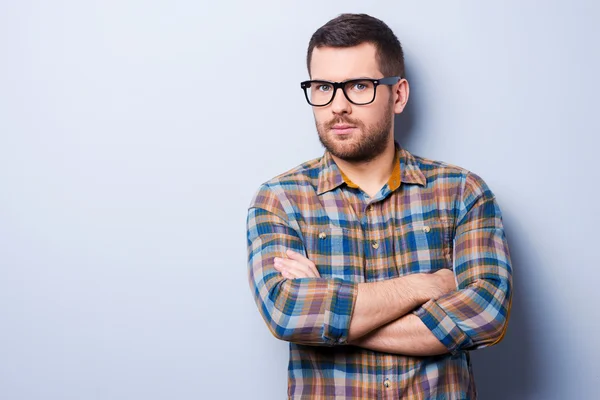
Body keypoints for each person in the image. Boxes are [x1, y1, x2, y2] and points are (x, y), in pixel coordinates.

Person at [246, 13, 512, 400]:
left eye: (359, 85)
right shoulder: (280, 200)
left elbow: (485, 316)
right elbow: (288, 313)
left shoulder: (462, 193)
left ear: (398, 94)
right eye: (323, 87)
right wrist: (427, 286)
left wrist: (331, 320)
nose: (338, 106)